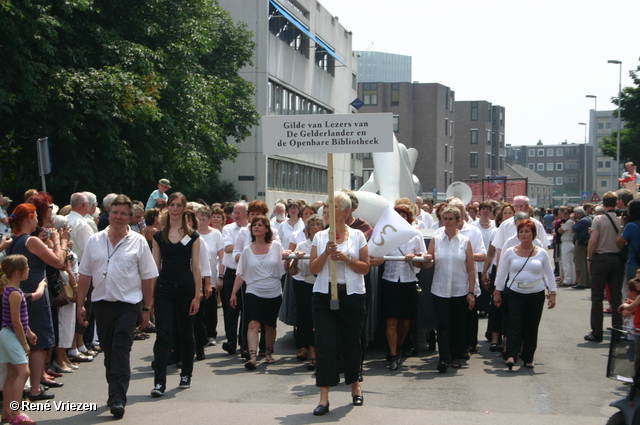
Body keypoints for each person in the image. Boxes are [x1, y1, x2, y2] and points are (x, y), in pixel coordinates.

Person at [76, 195, 157, 418]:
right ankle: (114, 391)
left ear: (130, 218)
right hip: (101, 304)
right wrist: (80, 304)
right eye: (114, 212)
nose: (118, 217)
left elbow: (148, 277)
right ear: (108, 214)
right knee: (110, 352)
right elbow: (85, 274)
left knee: (121, 348)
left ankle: (118, 397)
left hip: (128, 305)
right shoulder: (95, 240)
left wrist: (146, 309)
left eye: (123, 213)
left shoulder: (138, 241)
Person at [308, 192, 369, 415]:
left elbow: (365, 267)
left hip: (351, 295)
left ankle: (355, 386)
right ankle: (323, 397)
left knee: (352, 342)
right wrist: (326, 253)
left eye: (332, 206)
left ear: (345, 211)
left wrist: (346, 258)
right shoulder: (320, 237)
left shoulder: (358, 236)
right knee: (325, 344)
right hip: (324, 295)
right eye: (326, 206)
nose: (327, 210)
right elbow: (313, 269)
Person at [6, 203, 70, 401]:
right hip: (35, 295)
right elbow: (58, 262)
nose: (37, 222)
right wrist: (61, 242)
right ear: (28, 219)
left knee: (24, 340)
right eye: (34, 218)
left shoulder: (13, 239)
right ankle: (35, 388)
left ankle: (23, 389)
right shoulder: (30, 240)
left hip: (20, 294)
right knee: (38, 343)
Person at [150, 192, 201, 397]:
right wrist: (150, 297)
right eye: (172, 205)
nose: (176, 208)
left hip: (186, 288)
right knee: (163, 334)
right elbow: (155, 266)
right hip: (164, 288)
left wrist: (197, 296)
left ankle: (186, 373)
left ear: (184, 209)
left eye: (179, 205)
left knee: (185, 332)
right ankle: (159, 382)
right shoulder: (158, 236)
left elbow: (196, 268)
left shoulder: (193, 236)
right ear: (167, 207)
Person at [493, 219, 556, 370]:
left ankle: (528, 357)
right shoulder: (510, 252)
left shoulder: (541, 253)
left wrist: (552, 292)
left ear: (534, 234)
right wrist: (497, 291)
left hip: (536, 293)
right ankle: (511, 355)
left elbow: (549, 274)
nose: (524, 234)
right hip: (515, 292)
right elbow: (502, 273)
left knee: (531, 326)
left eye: (527, 231)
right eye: (521, 231)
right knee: (514, 324)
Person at [230, 216, 287, 369]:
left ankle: (268, 353)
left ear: (267, 229)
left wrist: (290, 259)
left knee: (270, 326)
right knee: (253, 323)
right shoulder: (247, 250)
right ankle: (252, 356)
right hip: (253, 291)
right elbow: (240, 273)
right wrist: (234, 293)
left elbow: (284, 268)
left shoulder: (276, 246)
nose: (256, 227)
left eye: (260, 225)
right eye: (254, 225)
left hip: (273, 292)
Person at [373, 205, 425, 371]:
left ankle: (399, 345)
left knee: (405, 322)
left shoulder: (416, 235)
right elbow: (375, 253)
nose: (401, 218)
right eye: (398, 216)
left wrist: (414, 257)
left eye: (404, 215)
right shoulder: (387, 234)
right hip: (390, 280)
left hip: (408, 281)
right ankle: (393, 354)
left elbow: (421, 261)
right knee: (392, 320)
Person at [424, 207, 475, 373]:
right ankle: (444, 358)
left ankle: (456, 356)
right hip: (440, 288)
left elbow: (471, 268)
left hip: (459, 288)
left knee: (458, 324)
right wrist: (426, 260)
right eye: (444, 219)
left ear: (458, 221)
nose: (447, 222)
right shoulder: (436, 239)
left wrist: (471, 292)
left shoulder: (465, 241)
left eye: (451, 219)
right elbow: (429, 263)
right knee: (443, 324)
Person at [0, 255, 38, 425]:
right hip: (11, 335)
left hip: (6, 334)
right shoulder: (15, 293)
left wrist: (29, 332)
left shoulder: (10, 290)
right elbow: (15, 321)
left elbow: (20, 320)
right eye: (27, 268)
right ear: (18, 272)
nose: (28, 271)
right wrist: (24, 343)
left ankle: (6, 412)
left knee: (12, 374)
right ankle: (16, 412)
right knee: (24, 372)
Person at [585, 192, 624, 343]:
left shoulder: (599, 219)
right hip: (617, 259)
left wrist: (589, 258)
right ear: (616, 203)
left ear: (603, 203)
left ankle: (596, 332)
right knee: (616, 297)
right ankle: (617, 331)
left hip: (601, 258)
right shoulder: (621, 219)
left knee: (596, 296)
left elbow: (593, 240)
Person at [289, 214, 324, 370]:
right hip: (307, 284)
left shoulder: (327, 244)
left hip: (325, 284)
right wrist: (296, 259)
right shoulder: (302, 245)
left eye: (318, 224)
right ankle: (310, 351)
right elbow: (292, 271)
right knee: (307, 317)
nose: (315, 227)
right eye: (313, 225)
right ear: (308, 229)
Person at [220, 201, 248, 355]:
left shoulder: (251, 228)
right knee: (231, 309)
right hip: (231, 271)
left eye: (239, 212)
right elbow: (228, 248)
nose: (236, 215)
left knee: (245, 310)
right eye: (234, 212)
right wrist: (248, 249)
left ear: (246, 214)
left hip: (247, 274)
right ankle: (231, 341)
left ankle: (244, 343)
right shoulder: (228, 228)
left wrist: (239, 249)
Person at [571, 207, 592, 290]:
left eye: (575, 213)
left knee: (580, 263)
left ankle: (581, 282)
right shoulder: (588, 219)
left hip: (580, 242)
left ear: (579, 214)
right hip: (586, 242)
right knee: (585, 262)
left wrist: (573, 222)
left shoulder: (582, 221)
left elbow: (573, 229)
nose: (574, 215)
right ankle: (588, 281)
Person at [558, 207, 576, 287]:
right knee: (571, 263)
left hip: (566, 242)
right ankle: (572, 279)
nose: (564, 215)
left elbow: (560, 231)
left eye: (566, 213)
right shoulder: (574, 221)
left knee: (566, 263)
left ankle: (567, 280)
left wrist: (561, 227)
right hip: (571, 242)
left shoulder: (569, 222)